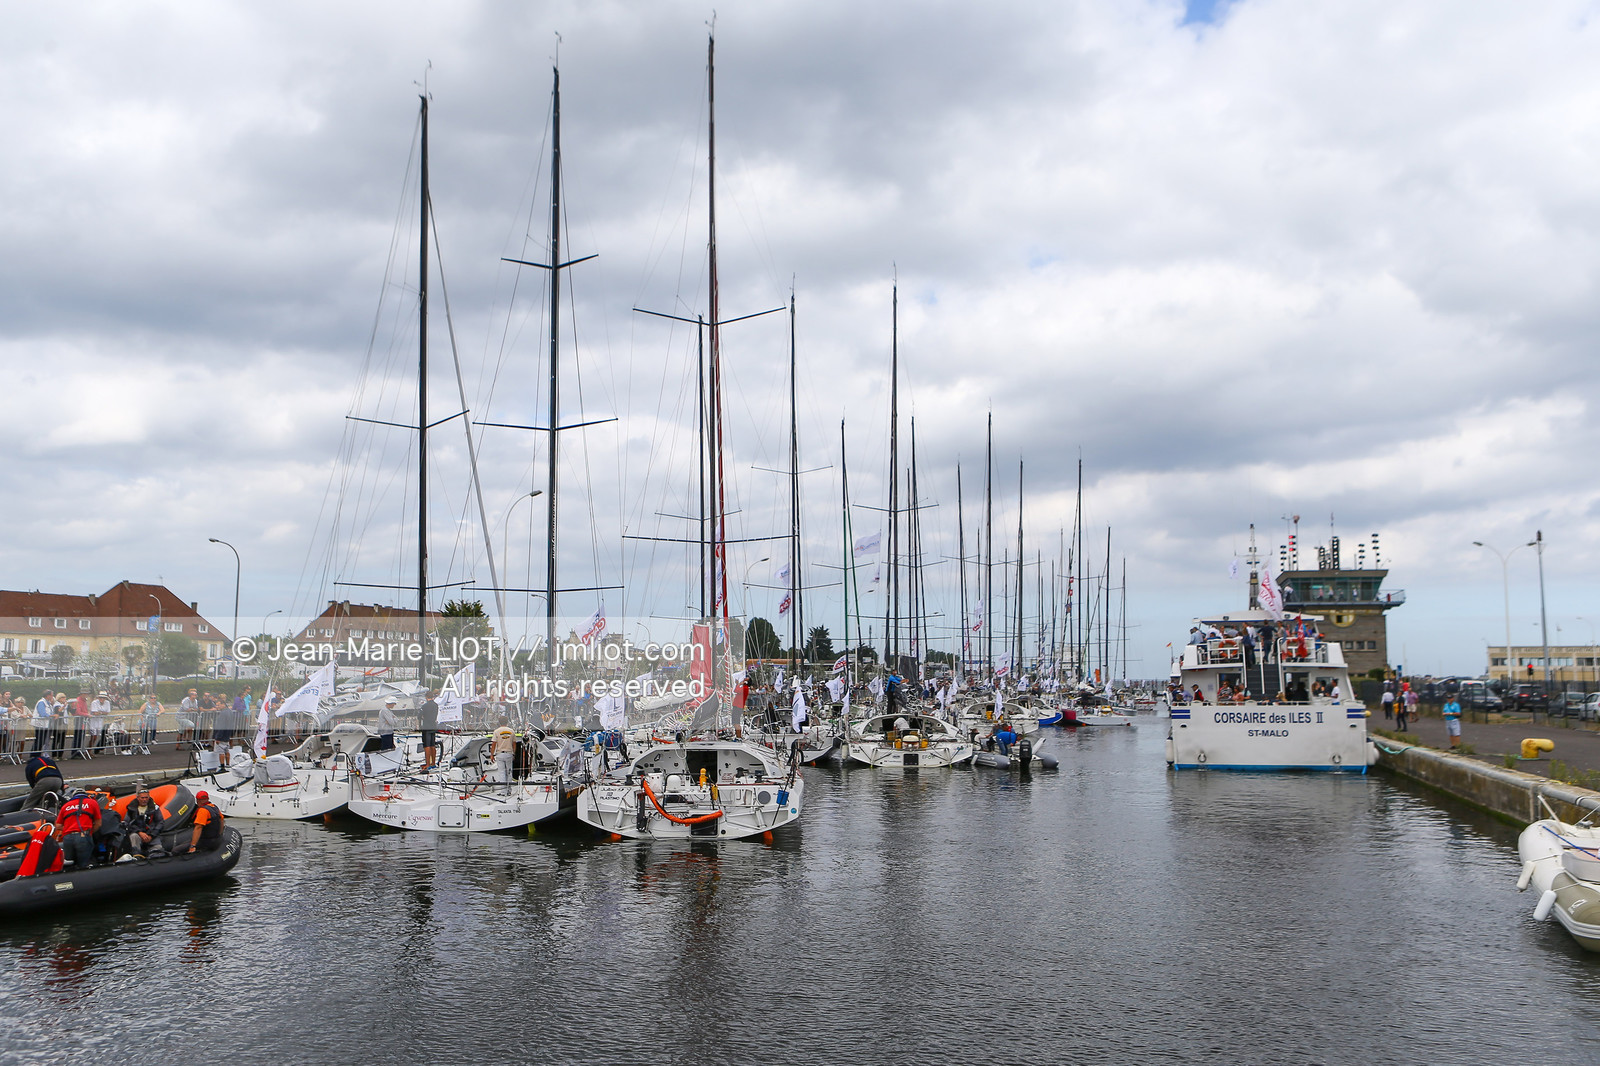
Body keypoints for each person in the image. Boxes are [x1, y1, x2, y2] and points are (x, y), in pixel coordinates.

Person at [55, 788, 102, 868]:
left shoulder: (66, 806)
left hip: (67, 838)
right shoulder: (92, 803)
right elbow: (98, 823)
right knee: (83, 865)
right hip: (83, 836)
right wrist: (89, 832)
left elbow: (58, 825)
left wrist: (70, 828)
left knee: (69, 864)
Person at [123, 785, 166, 857]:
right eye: (142, 798)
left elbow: (160, 822)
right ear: (138, 798)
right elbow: (127, 823)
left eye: (146, 797)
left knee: (158, 848)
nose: (144, 800)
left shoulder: (154, 808)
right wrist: (139, 832)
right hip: (138, 834)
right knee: (133, 836)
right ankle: (136, 855)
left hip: (151, 835)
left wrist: (151, 835)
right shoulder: (131, 809)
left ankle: (154, 856)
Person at [419, 689, 440, 772]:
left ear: (426, 697)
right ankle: (433, 763)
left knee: (427, 746)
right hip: (433, 726)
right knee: (432, 745)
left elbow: (419, 716)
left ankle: (427, 764)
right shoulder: (436, 705)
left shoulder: (424, 706)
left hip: (426, 727)